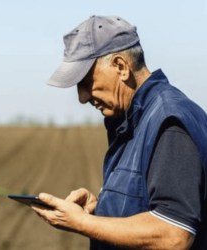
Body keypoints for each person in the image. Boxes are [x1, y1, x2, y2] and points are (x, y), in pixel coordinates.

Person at [31, 15, 207, 250]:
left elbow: (173, 234)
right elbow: (145, 204)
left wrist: (82, 222)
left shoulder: (168, 122)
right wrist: (103, 206)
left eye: (84, 82)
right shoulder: (134, 120)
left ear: (121, 67)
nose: (82, 98)